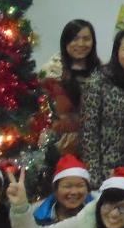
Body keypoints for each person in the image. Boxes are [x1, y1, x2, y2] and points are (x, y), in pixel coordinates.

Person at [81, 29, 124, 187]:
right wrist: (93, 174)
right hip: (107, 168)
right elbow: (88, 131)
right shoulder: (98, 81)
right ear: (116, 52)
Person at [41, 19, 101, 158]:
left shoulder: (101, 72)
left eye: (86, 39)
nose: (80, 44)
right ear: (65, 42)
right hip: (57, 146)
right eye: (74, 39)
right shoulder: (52, 72)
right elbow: (42, 114)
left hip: (92, 147)